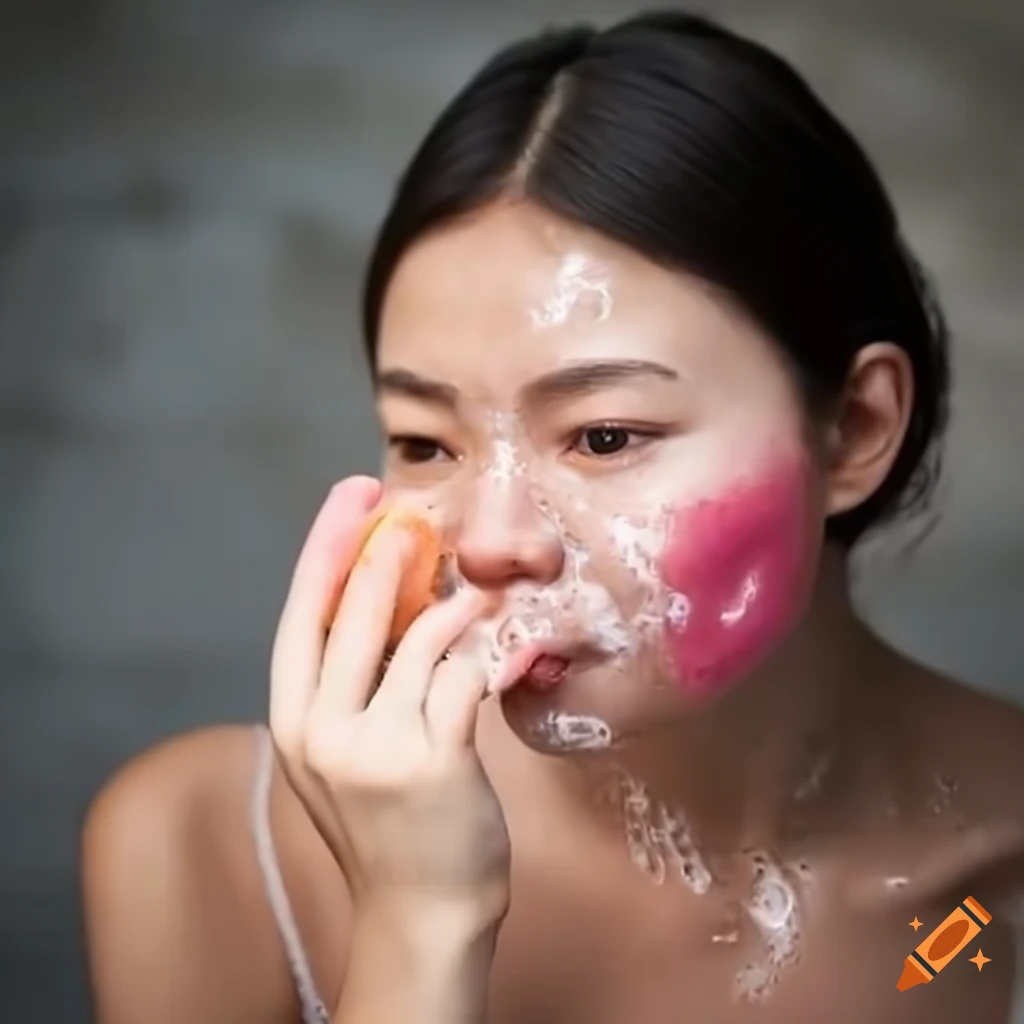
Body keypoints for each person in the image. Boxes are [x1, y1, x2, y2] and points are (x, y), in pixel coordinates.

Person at [80, 10, 1024, 1023]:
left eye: (605, 435)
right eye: (426, 443)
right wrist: (418, 926)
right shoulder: (209, 850)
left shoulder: (977, 912)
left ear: (854, 430)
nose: (488, 543)